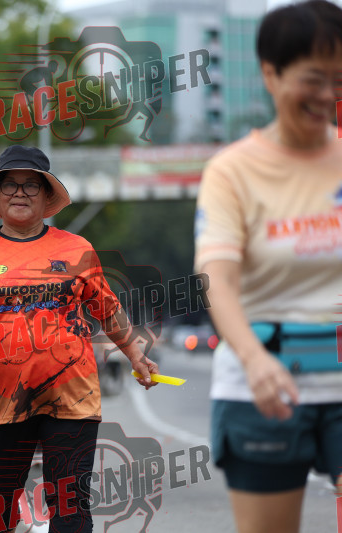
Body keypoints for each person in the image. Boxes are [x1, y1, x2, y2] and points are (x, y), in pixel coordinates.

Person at [0, 145, 159, 533]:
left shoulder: (77, 249)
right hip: (4, 400)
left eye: (31, 185)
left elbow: (107, 309)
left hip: (73, 397)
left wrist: (135, 354)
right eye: (10, 185)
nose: (20, 193)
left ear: (46, 195)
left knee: (71, 507)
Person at [195, 2, 342, 532]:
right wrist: (255, 359)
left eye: (339, 81)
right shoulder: (231, 171)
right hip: (260, 388)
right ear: (270, 74)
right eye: (314, 79)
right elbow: (218, 281)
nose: (328, 95)